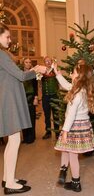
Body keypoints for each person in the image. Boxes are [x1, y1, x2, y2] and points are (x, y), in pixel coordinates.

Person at [0, 23, 46, 194]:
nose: (10, 40)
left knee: (13, 140)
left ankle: (7, 178)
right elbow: (20, 75)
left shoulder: (3, 54)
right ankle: (10, 184)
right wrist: (36, 69)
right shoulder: (1, 54)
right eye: (7, 36)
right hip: (8, 100)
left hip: (8, 99)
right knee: (14, 140)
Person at [54, 61, 94, 192]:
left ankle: (75, 182)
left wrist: (65, 132)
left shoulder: (77, 95)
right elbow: (67, 85)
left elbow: (71, 116)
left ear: (79, 76)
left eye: (72, 73)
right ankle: (63, 170)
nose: (70, 74)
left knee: (72, 155)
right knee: (65, 149)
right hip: (80, 125)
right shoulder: (81, 89)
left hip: (73, 127)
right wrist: (57, 73)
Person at [41, 56, 60, 139]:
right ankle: (48, 132)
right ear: (44, 62)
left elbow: (60, 82)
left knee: (56, 115)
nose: (48, 62)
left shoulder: (56, 71)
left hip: (54, 96)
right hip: (45, 96)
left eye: (49, 61)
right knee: (47, 115)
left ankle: (57, 132)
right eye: (46, 61)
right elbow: (39, 84)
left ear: (52, 62)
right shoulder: (41, 72)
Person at [21, 57, 38, 144]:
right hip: (22, 98)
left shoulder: (33, 73)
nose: (28, 63)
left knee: (31, 117)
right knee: (23, 117)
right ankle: (25, 137)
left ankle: (31, 137)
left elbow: (35, 86)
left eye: (29, 62)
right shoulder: (20, 73)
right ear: (23, 63)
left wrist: (36, 97)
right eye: (26, 62)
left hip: (31, 97)